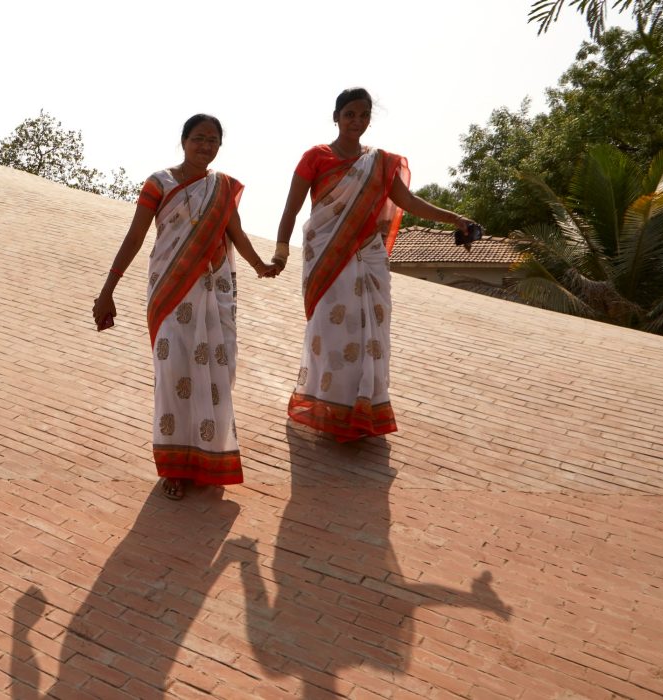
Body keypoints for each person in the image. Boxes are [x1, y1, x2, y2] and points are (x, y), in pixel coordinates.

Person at [269, 88, 479, 441]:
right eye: (350, 114)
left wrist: (453, 217)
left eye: (363, 115)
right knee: (333, 331)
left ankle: (365, 408)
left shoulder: (380, 162)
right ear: (336, 117)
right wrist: (280, 253)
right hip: (327, 256)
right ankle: (330, 407)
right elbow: (291, 208)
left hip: (369, 256)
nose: (357, 121)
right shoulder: (315, 157)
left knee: (369, 333)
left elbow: (408, 201)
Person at [93, 114, 278, 500]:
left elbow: (236, 233)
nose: (205, 146)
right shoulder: (159, 183)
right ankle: (174, 467)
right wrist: (108, 288)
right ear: (183, 141)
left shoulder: (222, 187)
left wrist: (259, 265)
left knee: (215, 374)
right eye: (199, 139)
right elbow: (135, 236)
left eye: (213, 141)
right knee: (174, 372)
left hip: (214, 292)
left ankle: (208, 459)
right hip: (170, 292)